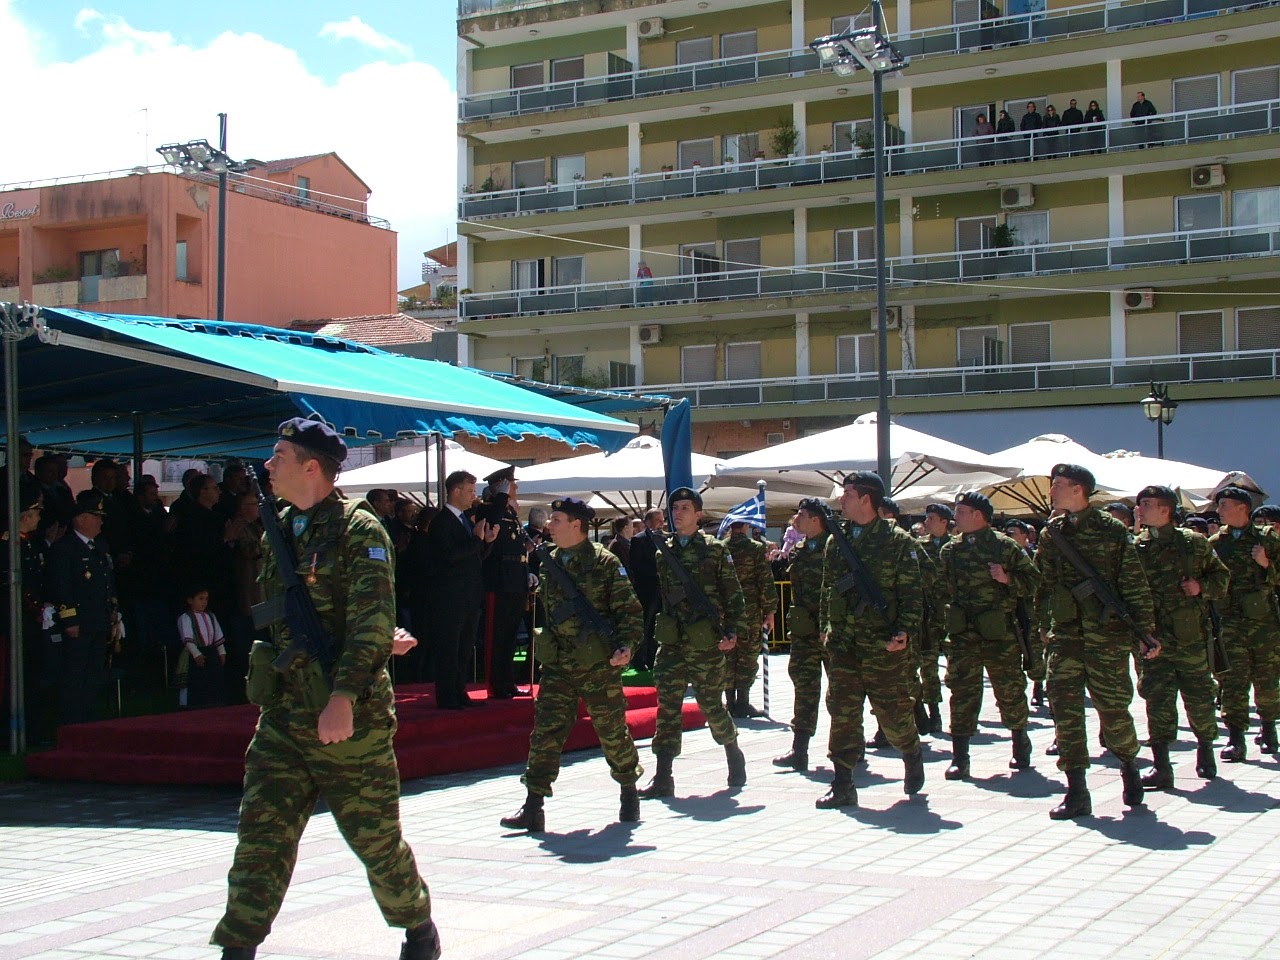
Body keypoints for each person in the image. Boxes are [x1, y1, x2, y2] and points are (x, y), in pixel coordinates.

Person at [211, 416, 440, 960]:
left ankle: (418, 928)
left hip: (349, 717)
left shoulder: (359, 531)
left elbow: (369, 623)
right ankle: (237, 945)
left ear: (312, 467)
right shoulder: (283, 525)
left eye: (279, 457)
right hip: (286, 713)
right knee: (260, 839)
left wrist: (342, 699)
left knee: (375, 842)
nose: (268, 466)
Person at [499, 498, 644, 832]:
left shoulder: (604, 562)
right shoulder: (549, 561)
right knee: (546, 733)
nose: (550, 524)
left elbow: (630, 611)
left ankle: (628, 791)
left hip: (598, 665)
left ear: (576, 525)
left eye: (557, 519)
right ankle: (533, 805)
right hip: (559, 665)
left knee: (612, 732)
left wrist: (626, 646)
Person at [1035, 463, 1160, 820]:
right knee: (1065, 711)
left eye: (1058, 485)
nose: (1052, 491)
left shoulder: (1111, 531)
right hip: (1066, 636)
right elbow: (1043, 584)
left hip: (1106, 637)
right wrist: (1042, 624)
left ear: (1079, 490)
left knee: (1114, 710)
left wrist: (1144, 632)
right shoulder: (1051, 533)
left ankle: (1129, 765)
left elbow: (1134, 583)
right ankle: (1076, 790)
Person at [817, 472, 925, 809]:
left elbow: (911, 593)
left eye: (848, 494)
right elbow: (828, 590)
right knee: (843, 713)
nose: (841, 499)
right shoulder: (837, 541)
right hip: (845, 644)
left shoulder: (897, 541)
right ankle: (843, 782)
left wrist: (905, 631)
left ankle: (910, 750)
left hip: (882, 644)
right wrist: (825, 627)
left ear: (867, 499)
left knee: (892, 715)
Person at [639, 487, 748, 799]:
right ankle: (663, 775)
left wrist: (732, 631)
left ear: (699, 514)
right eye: (675, 508)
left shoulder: (714, 550)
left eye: (685, 508)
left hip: (706, 642)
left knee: (711, 705)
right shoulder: (664, 551)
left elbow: (733, 593)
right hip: (673, 642)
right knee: (668, 709)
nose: (678, 513)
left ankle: (732, 752)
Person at [1132, 485, 1230, 787]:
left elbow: (1221, 577)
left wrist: (1201, 587)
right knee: (1157, 700)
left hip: (1190, 638)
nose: (1140, 509)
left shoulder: (1194, 543)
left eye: (1147, 504)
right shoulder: (1137, 546)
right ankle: (1161, 765)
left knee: (1199, 698)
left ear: (1166, 510)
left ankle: (1205, 749)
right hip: (1153, 639)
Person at [938, 492, 1041, 779]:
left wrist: (1008, 578)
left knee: (1009, 690)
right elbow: (940, 589)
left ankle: (1020, 742)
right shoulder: (950, 550)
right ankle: (960, 756)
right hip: (962, 635)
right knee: (961, 693)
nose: (955, 516)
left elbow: (1034, 582)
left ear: (978, 515)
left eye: (960, 511)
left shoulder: (1004, 547)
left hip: (999, 635)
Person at [1207, 486, 1280, 761]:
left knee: (1267, 679)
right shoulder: (1215, 543)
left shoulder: (1268, 539)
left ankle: (1269, 729)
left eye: (1225, 505)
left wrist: (1266, 564)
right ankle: (1236, 738)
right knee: (1233, 681)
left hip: (1264, 623)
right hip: (1229, 623)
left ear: (1242, 508)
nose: (1219, 510)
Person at [45, 491, 119, 726]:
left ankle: (88, 718)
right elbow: (62, 587)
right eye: (95, 516)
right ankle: (71, 721)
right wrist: (70, 620)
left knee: (94, 673)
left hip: (99, 619)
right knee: (74, 673)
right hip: (78, 623)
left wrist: (114, 612)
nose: (100, 521)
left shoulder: (101, 545)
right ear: (80, 519)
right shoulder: (65, 548)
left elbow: (108, 581)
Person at [426, 469, 497, 709]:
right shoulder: (441, 522)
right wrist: (476, 540)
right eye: (470, 491)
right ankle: (447, 695)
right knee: (450, 647)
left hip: (468, 594)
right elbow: (450, 556)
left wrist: (485, 543)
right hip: (450, 597)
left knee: (465, 648)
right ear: (455, 491)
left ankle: (459, 691)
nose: (473, 496)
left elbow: (472, 557)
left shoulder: (464, 520)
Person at [773, 499, 831, 771]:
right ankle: (799, 750)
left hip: (832, 632)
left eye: (802, 514)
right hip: (804, 632)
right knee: (804, 688)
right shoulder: (799, 549)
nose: (797, 518)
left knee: (842, 693)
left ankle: (846, 747)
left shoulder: (837, 548)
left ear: (817, 519)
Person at [479, 466, 532, 699]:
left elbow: (519, 547)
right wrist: (500, 497)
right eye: (511, 484)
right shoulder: (490, 509)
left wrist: (527, 571)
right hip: (499, 579)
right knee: (497, 634)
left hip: (515, 578)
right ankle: (495, 684)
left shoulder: (511, 513)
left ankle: (507, 681)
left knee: (510, 634)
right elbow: (490, 524)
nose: (516, 487)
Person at [721, 519, 777, 718]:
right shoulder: (754, 549)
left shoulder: (721, 548)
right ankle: (742, 701)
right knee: (748, 654)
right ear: (745, 526)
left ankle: (729, 701)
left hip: (726, 610)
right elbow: (765, 580)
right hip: (750, 608)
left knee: (728, 653)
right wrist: (770, 611)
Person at [915, 503, 954, 736]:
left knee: (957, 667)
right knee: (928, 667)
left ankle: (961, 713)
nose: (926, 522)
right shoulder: (920, 547)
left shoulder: (956, 547)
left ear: (944, 522)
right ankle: (934, 712)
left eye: (931, 518)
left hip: (952, 615)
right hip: (928, 615)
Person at [177, 586, 226, 709]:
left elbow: (218, 635)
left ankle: (214, 703)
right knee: (197, 681)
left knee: (213, 679)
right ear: (190, 601)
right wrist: (196, 654)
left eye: (206, 599)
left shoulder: (211, 616)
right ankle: (195, 706)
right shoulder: (186, 618)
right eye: (200, 599)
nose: (204, 602)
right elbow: (187, 638)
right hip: (195, 653)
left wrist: (221, 652)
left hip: (211, 651)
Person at [627, 507, 664, 671]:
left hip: (662, 590)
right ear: (648, 522)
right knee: (645, 626)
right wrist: (656, 572)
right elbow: (636, 565)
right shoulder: (638, 540)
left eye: (663, 520)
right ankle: (639, 659)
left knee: (659, 625)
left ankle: (653, 657)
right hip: (646, 590)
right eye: (658, 520)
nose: (661, 524)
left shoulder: (664, 539)